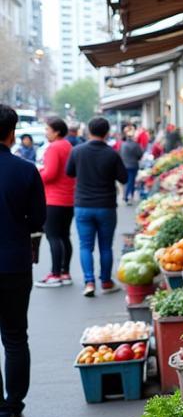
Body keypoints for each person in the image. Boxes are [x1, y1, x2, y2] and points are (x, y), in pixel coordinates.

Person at [0, 104, 46, 417]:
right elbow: (39, 220)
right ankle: (13, 409)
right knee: (15, 337)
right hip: (15, 262)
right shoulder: (26, 170)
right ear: (12, 132)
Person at [66, 115, 126, 297]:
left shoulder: (77, 151)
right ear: (107, 133)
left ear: (89, 131)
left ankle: (89, 283)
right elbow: (124, 178)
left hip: (83, 205)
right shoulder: (112, 153)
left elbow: (69, 172)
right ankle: (106, 282)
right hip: (106, 206)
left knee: (85, 246)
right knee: (106, 246)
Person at [35, 117, 76, 288]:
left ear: (56, 131)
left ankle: (55, 274)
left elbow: (50, 174)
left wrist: (37, 175)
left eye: (47, 130)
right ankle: (65, 272)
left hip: (53, 199)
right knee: (64, 236)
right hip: (69, 198)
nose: (46, 133)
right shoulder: (68, 146)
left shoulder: (53, 148)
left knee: (53, 236)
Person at [120, 124, 143, 204]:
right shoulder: (135, 145)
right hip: (133, 165)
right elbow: (140, 155)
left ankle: (129, 195)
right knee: (131, 181)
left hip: (125, 165)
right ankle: (127, 196)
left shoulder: (123, 145)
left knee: (128, 181)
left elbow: (120, 154)